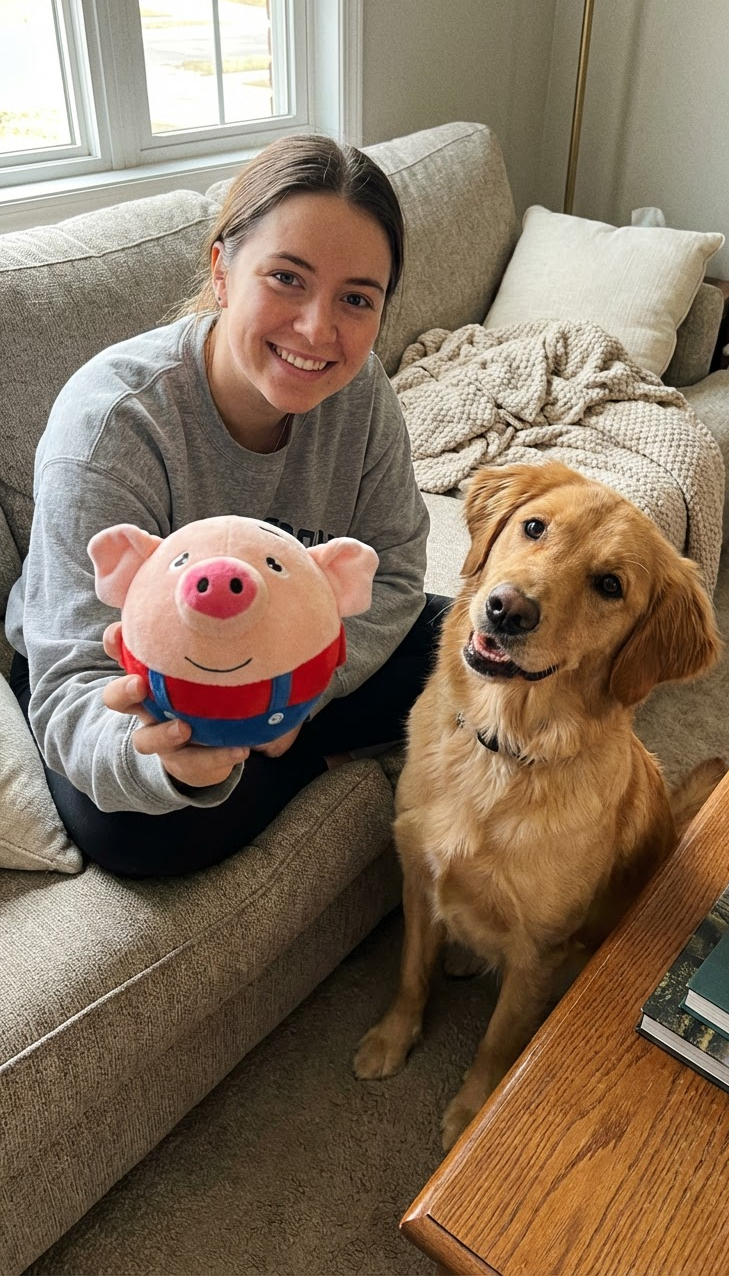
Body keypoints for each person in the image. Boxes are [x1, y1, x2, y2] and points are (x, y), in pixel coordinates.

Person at [6, 134, 445, 878]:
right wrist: (171, 757)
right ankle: (297, 759)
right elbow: (69, 680)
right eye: (287, 278)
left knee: (477, 654)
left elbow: (394, 572)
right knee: (134, 832)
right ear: (222, 272)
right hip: (131, 672)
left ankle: (286, 750)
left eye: (356, 299)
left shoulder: (362, 390)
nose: (318, 330)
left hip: (298, 653)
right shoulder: (115, 423)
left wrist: (297, 698)